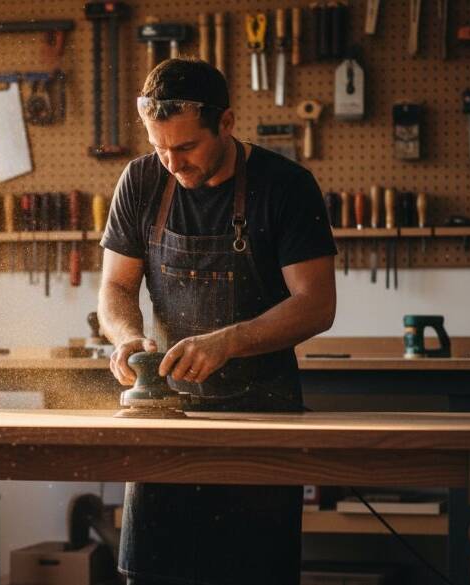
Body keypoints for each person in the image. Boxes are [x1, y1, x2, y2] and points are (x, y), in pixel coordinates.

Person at [97, 58, 337, 584]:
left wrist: (230, 341)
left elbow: (316, 304)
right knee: (152, 573)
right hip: (166, 423)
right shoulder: (141, 181)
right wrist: (126, 335)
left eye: (186, 148)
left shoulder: (286, 186)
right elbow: (115, 288)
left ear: (226, 123)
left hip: (262, 422)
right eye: (161, 149)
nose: (173, 164)